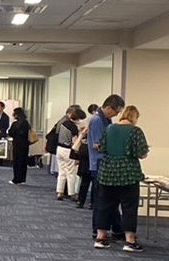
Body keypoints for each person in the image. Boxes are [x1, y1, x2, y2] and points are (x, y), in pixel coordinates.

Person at [94, 104, 149, 252]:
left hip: (107, 173)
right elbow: (142, 153)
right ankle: (130, 241)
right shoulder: (135, 131)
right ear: (135, 117)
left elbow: (102, 148)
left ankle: (100, 238)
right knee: (129, 207)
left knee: (105, 206)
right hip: (128, 174)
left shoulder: (109, 129)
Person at [88, 95, 125, 239]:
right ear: (109, 108)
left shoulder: (107, 120)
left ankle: (117, 228)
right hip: (99, 164)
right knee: (101, 200)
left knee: (111, 199)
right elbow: (97, 144)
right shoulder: (98, 120)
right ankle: (97, 229)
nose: (116, 115)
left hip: (105, 164)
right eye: (116, 112)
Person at [54, 105, 84, 201]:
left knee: (62, 172)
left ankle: (60, 192)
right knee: (71, 173)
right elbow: (75, 142)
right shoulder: (73, 127)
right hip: (68, 150)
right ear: (78, 118)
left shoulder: (63, 123)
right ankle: (72, 193)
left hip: (59, 149)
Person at [9, 106, 32, 184]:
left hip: (17, 144)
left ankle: (16, 179)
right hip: (25, 145)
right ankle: (22, 179)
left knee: (16, 162)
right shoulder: (26, 123)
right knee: (23, 161)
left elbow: (10, 133)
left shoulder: (15, 124)